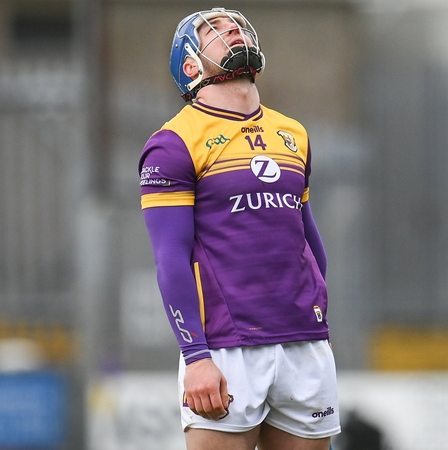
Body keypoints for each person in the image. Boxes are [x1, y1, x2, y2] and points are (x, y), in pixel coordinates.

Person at [138, 7, 340, 450]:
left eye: (237, 26)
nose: (232, 29)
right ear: (190, 66)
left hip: (303, 341)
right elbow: (170, 259)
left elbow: (305, 235)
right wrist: (195, 356)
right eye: (215, 31)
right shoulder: (172, 144)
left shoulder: (293, 133)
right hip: (227, 349)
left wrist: (318, 317)